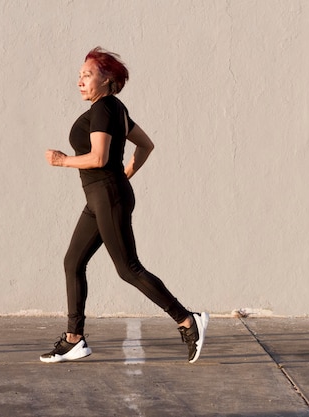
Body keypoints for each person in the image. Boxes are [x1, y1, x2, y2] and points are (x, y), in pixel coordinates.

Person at [41, 47, 209, 364]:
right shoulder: (114, 109)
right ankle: (74, 339)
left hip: (107, 195)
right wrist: (125, 175)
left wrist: (63, 161)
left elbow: (99, 158)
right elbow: (146, 145)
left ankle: (188, 320)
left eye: (87, 75)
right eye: (79, 75)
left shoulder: (105, 109)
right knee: (72, 261)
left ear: (107, 79)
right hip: (103, 196)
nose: (80, 80)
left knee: (128, 269)